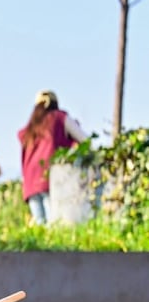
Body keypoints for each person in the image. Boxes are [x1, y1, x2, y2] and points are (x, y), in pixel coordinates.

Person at [18, 90, 88, 225]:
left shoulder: (30, 128)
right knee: (53, 222)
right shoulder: (60, 118)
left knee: (39, 223)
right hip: (49, 177)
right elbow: (85, 141)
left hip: (30, 181)